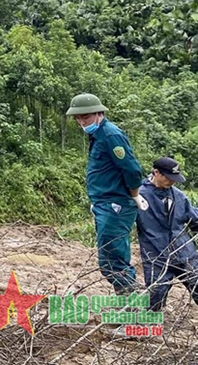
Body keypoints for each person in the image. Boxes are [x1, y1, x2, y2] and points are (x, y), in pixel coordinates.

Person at [66, 93, 147, 295]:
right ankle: (128, 305)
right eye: (79, 118)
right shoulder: (98, 135)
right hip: (105, 203)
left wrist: (135, 194)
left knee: (113, 260)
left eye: (86, 117)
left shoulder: (111, 135)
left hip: (115, 205)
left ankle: (132, 309)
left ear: (99, 113)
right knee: (110, 259)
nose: (82, 122)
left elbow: (132, 170)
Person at [136, 157, 198, 311]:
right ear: (156, 172)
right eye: (169, 178)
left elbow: (194, 219)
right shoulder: (138, 195)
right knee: (154, 299)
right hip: (156, 256)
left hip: (185, 253)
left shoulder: (179, 196)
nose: (172, 182)